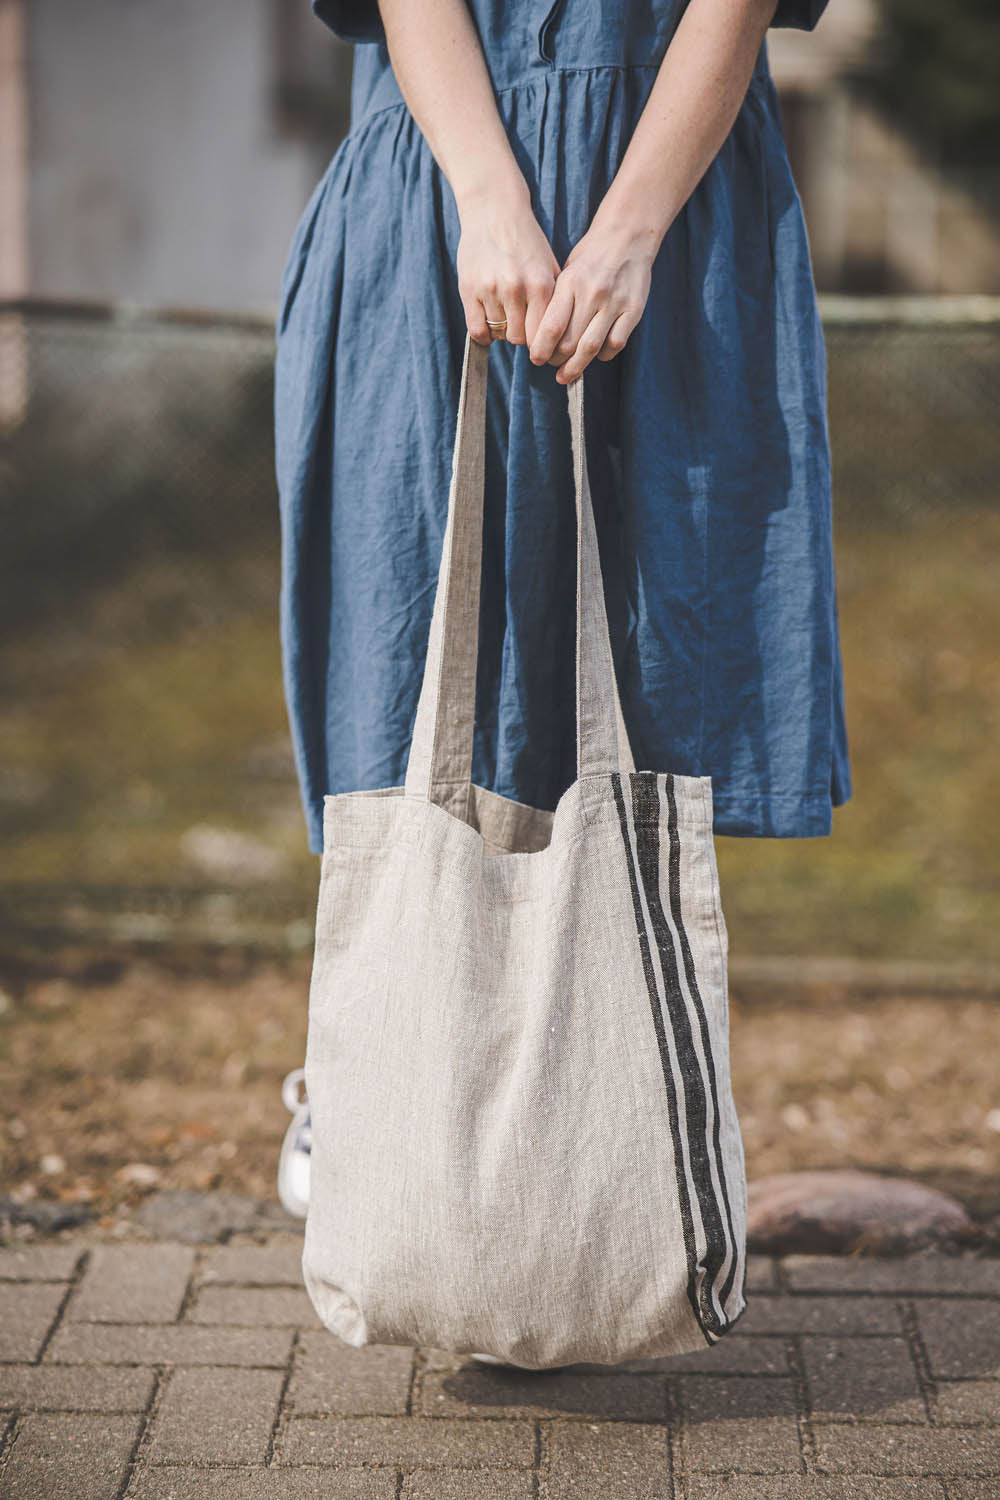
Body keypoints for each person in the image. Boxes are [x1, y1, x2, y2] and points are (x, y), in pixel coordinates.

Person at [275, 0, 851, 1235]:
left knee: (649, 678)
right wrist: (486, 199)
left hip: (670, 200)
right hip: (438, 180)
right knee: (411, 646)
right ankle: (371, 1068)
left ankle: (606, 1108)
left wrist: (633, 228)